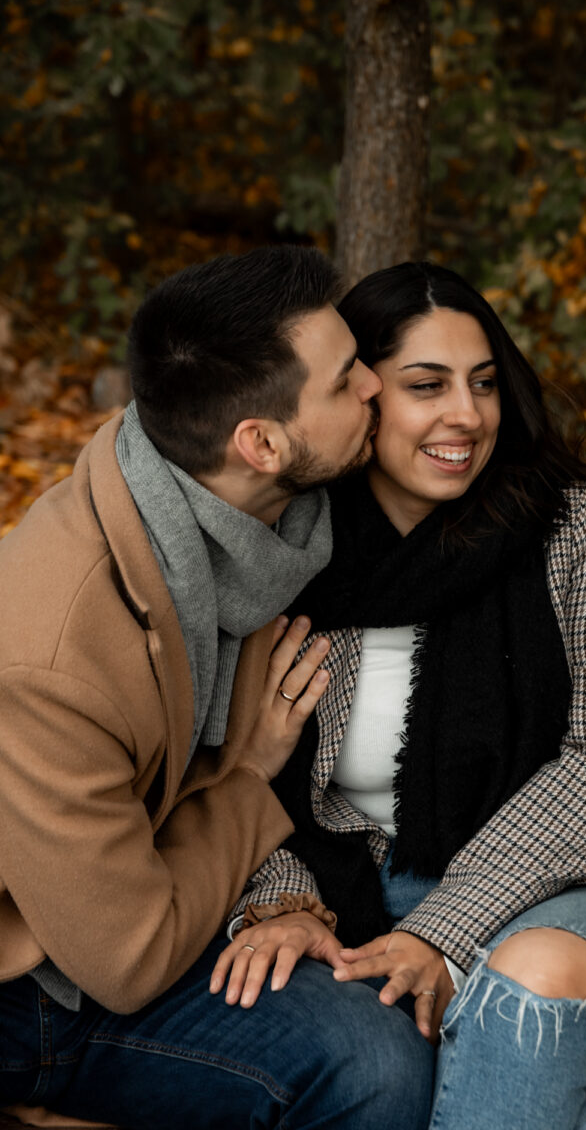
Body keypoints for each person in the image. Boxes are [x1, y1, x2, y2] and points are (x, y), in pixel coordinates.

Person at [215, 261, 586, 1129]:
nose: (464, 416)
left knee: (527, 985)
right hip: (349, 908)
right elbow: (243, 773)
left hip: (575, 902)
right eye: (425, 386)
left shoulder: (567, 526)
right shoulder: (292, 551)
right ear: (362, 396)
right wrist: (282, 904)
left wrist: (443, 929)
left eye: (481, 384)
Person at [0, 247, 435, 1129]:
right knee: (371, 1066)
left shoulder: (258, 514)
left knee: (383, 1041)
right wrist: (244, 782)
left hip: (175, 909)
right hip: (41, 993)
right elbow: (128, 957)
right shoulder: (52, 661)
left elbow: (475, 538)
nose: (376, 389)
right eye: (347, 377)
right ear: (262, 443)